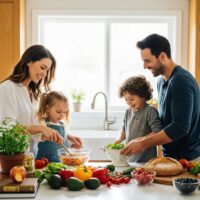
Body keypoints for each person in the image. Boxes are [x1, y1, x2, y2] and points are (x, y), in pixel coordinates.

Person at [121, 34, 200, 161]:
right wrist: (140, 139)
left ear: (162, 56)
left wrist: (143, 143)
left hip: (187, 159)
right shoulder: (161, 81)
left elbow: (180, 127)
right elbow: (166, 122)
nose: (144, 66)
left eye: (147, 61)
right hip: (170, 156)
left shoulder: (181, 81)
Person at [0, 45, 63, 155]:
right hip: (12, 158)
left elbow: (33, 132)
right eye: (43, 68)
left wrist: (49, 135)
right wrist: (41, 128)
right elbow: (7, 128)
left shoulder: (33, 93)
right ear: (29, 61)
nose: (44, 74)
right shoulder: (7, 88)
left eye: (47, 70)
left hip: (29, 159)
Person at [115, 75, 162, 162]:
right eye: (126, 99)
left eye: (131, 99)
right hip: (130, 160)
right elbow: (124, 131)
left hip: (146, 161)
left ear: (143, 95)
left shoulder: (150, 111)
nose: (128, 102)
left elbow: (157, 132)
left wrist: (141, 141)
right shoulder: (128, 112)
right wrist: (117, 141)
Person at [36, 91, 83, 162]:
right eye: (58, 112)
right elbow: (37, 138)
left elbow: (64, 143)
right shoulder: (42, 123)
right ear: (47, 108)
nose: (62, 115)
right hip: (44, 160)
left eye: (65, 112)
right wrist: (45, 137)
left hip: (60, 161)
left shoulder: (62, 125)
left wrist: (72, 146)